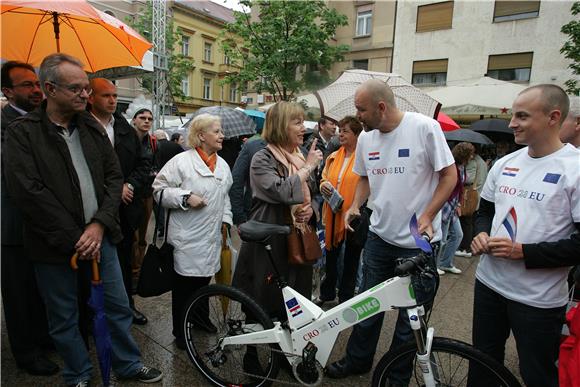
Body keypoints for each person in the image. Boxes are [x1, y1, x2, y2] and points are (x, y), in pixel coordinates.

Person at [3, 53, 163, 386]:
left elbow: (113, 177)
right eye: (76, 89)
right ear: (50, 88)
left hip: (100, 235)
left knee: (118, 306)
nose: (84, 95)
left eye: (87, 89)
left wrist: (98, 225)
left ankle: (128, 364)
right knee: (63, 316)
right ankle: (78, 373)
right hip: (53, 243)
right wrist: (75, 235)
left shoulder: (90, 126)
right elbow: (28, 192)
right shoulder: (23, 133)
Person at [326, 79, 456, 383]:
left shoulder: (424, 128)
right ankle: (358, 360)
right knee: (368, 306)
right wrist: (356, 205)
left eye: (361, 109)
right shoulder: (368, 140)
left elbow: (449, 177)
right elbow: (364, 179)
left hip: (417, 245)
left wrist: (428, 214)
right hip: (378, 239)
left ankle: (395, 378)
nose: (357, 116)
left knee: (409, 319)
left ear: (381, 107)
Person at [469, 84, 580, 387]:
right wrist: (479, 234)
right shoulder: (505, 164)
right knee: (482, 363)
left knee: (537, 374)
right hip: (489, 285)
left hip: (538, 300)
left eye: (522, 116)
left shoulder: (575, 169)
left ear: (553, 117)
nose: (511, 124)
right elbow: (485, 213)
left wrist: (524, 252)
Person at [232, 101, 323, 320]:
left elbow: (315, 193)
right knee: (263, 296)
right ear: (281, 126)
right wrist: (309, 167)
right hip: (270, 238)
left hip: (299, 237)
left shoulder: (301, 155)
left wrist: (311, 210)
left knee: (294, 300)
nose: (304, 128)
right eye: (297, 122)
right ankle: (251, 350)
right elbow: (280, 191)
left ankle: (286, 348)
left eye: (303, 122)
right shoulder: (262, 157)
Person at [152, 113, 233, 350]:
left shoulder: (223, 164)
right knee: (184, 287)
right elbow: (158, 191)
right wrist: (185, 197)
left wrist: (226, 220)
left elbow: (224, 197)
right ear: (201, 135)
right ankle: (181, 331)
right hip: (186, 239)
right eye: (216, 131)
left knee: (203, 282)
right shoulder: (181, 162)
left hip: (210, 238)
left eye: (221, 131)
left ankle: (199, 319)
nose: (222, 136)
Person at [0, 61, 58, 376]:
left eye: (37, 84)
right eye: (26, 85)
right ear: (7, 92)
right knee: (19, 293)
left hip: (43, 224)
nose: (36, 90)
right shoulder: (5, 124)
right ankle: (25, 353)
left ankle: (43, 337)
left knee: (39, 289)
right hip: (14, 225)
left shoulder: (42, 121)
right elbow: (17, 175)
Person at [88, 78, 151, 325]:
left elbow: (143, 163)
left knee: (124, 259)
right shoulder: (80, 126)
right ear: (91, 97)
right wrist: (113, 189)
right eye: (106, 96)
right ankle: (94, 312)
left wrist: (130, 184)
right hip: (93, 208)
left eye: (115, 95)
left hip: (125, 209)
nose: (113, 100)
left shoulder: (123, 128)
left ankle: (127, 306)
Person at [315, 116, 365, 306]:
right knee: (331, 258)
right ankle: (327, 293)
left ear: (357, 134)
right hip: (333, 213)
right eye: (339, 130)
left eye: (345, 131)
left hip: (353, 216)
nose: (340, 134)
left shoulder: (363, 157)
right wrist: (323, 187)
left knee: (351, 260)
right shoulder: (333, 156)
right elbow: (323, 178)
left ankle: (346, 298)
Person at [437, 142, 474, 275]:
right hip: (445, 204)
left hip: (452, 205)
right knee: (441, 238)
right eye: (470, 154)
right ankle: (435, 265)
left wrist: (458, 204)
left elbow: (460, 188)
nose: (472, 157)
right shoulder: (451, 166)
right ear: (464, 155)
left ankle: (445, 263)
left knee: (458, 235)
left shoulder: (461, 167)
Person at [131, 108, 157, 286]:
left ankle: (138, 270)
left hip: (147, 193)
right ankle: (132, 271)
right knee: (131, 236)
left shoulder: (153, 143)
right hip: (130, 194)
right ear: (134, 120)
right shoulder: (125, 140)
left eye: (150, 118)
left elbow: (156, 165)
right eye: (142, 118)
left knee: (142, 236)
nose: (146, 121)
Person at [457, 143, 488, 257]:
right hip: (477, 195)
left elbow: (468, 179)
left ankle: (465, 247)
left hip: (471, 196)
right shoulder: (482, 162)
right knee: (471, 222)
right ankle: (469, 246)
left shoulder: (474, 163)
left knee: (466, 222)